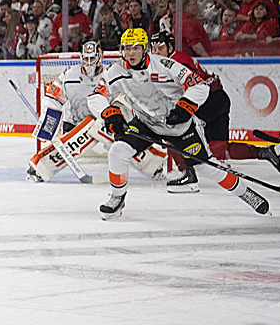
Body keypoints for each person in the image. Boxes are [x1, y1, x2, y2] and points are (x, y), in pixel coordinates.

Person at [86, 28, 270, 219]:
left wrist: (186, 106)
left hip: (179, 126)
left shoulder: (165, 64)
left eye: (135, 48)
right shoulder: (115, 70)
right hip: (146, 123)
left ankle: (245, 193)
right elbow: (96, 96)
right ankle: (117, 198)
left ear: (145, 48)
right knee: (118, 151)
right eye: (126, 48)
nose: (130, 53)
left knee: (205, 167)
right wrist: (108, 113)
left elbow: (198, 85)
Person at [150, 31, 280, 189]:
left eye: (160, 48)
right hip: (219, 98)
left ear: (169, 48)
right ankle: (267, 152)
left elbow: (192, 89)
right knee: (220, 148)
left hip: (207, 102)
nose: (156, 53)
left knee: (173, 130)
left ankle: (187, 174)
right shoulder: (175, 59)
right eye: (153, 49)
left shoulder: (176, 63)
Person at [28, 41, 165, 182]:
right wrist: (49, 121)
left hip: (103, 123)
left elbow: (124, 98)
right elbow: (53, 97)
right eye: (86, 59)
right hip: (74, 126)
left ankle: (40, 167)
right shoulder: (69, 75)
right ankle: (153, 164)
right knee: (92, 127)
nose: (88, 63)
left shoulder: (110, 75)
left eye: (92, 58)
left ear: (100, 58)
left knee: (106, 129)